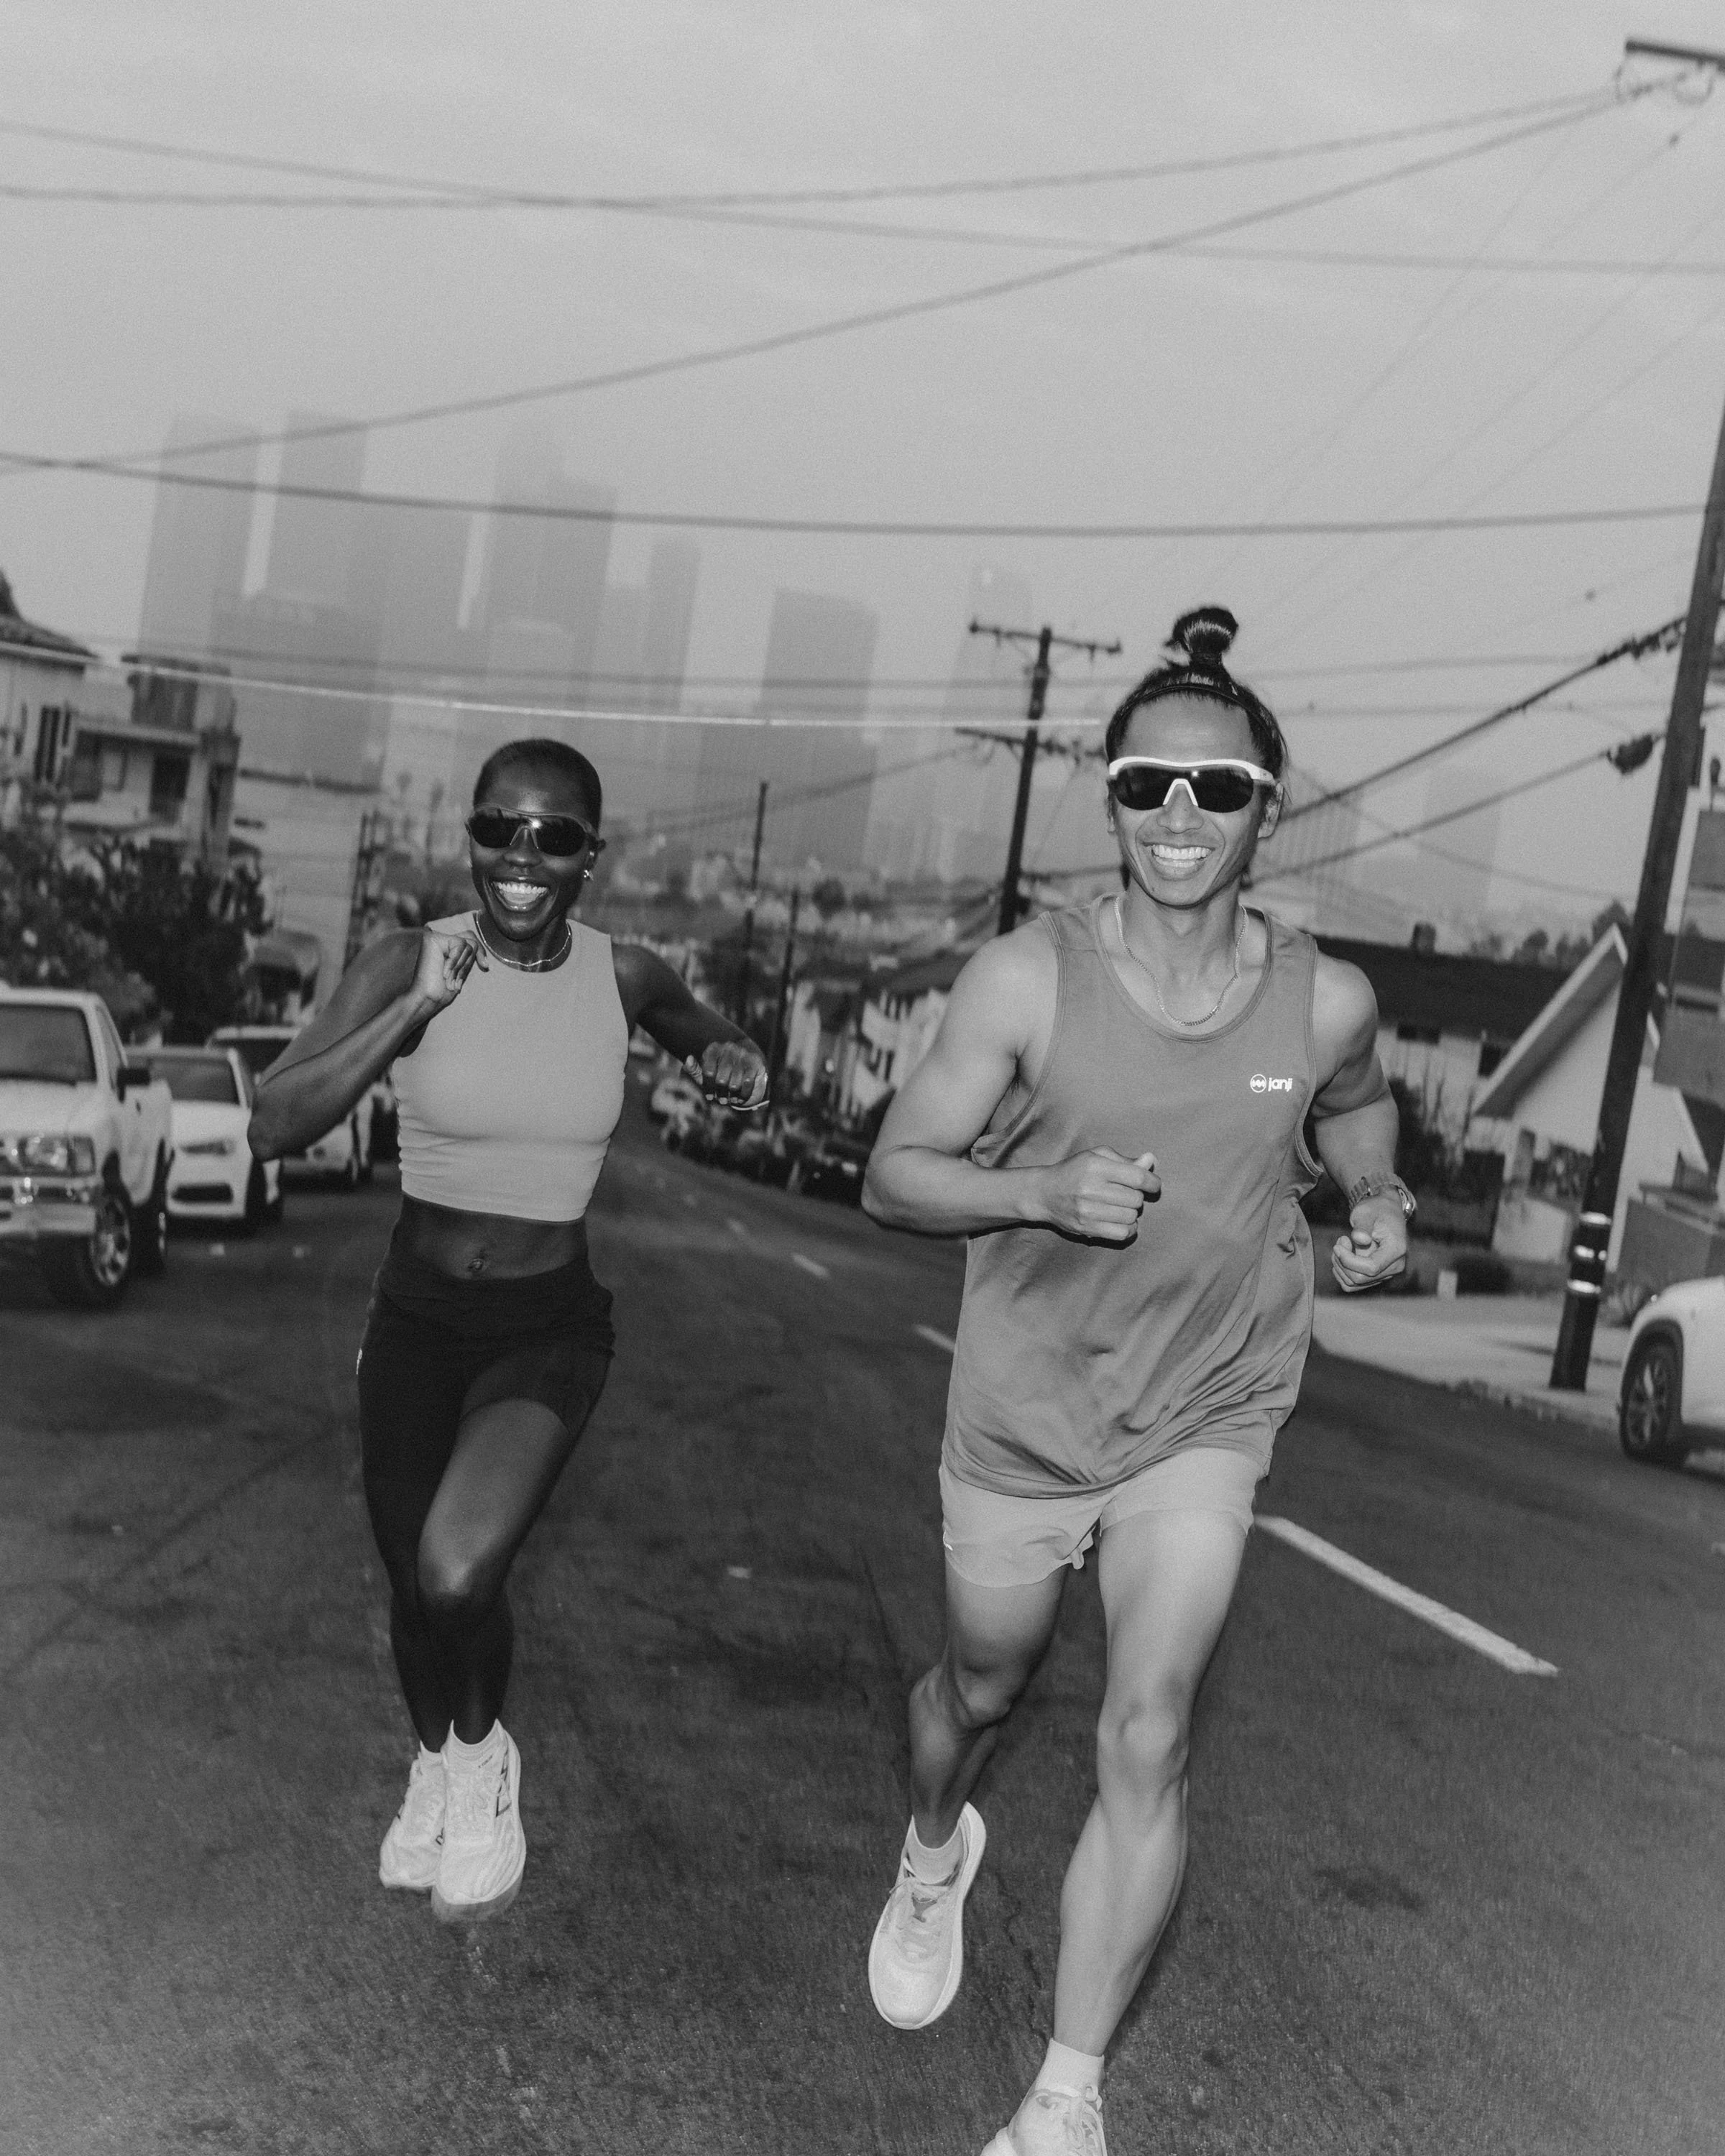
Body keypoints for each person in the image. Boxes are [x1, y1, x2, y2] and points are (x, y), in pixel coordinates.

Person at [859, 608, 1409, 2155]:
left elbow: (1356, 1114)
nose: (1181, 816)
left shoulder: (1330, 1001)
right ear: (1107, 797)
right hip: (1029, 1416)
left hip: (1210, 1408)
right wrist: (1036, 1194)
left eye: (1217, 789)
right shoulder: (1027, 980)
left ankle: (1064, 2100)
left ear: (1266, 809)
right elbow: (894, 1175)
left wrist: (1373, 1201)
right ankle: (928, 1848)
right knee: (978, 1690)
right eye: (1148, 785)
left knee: (1151, 1728)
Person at [247, 737, 765, 1925]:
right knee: (410, 1587)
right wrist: (416, 1012)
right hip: (418, 1317)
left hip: (544, 1323)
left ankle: (484, 1768)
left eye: (555, 836)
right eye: (499, 829)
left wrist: (732, 1059)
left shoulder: (623, 974)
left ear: (593, 854)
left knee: (456, 1568)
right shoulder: (402, 958)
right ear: (469, 836)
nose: (522, 859)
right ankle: (432, 1768)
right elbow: (277, 1118)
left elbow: (709, 1035)